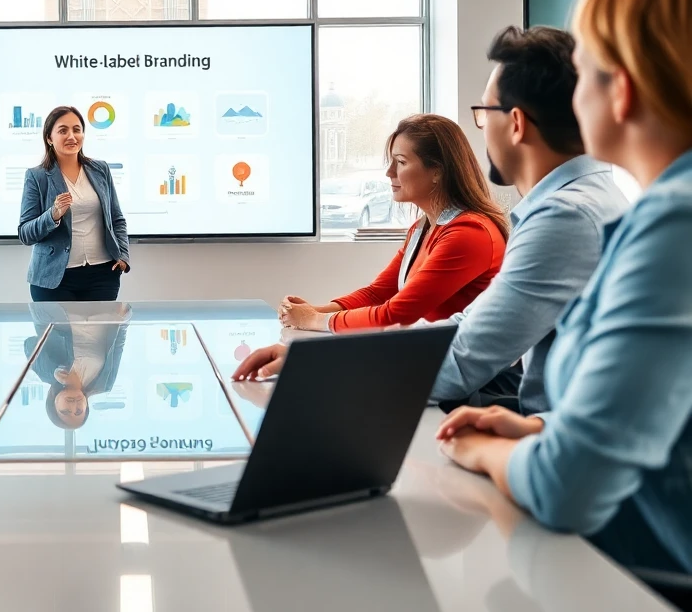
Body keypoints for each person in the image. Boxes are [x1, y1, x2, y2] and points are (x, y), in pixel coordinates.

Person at [437, 0, 692, 580]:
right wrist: (544, 426)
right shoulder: (656, 206)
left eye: (584, 76)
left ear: (622, 91)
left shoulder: (671, 223)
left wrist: (482, 450)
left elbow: (567, 486)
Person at [234, 30, 628, 414]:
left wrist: (315, 363)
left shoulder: (562, 219)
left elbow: (461, 358)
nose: (482, 128)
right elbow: (465, 325)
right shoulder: (582, 202)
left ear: (516, 123)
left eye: (483, 113)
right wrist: (316, 350)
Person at [274, 114, 508, 334]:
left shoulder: (469, 233)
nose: (389, 173)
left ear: (437, 171)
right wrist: (312, 311)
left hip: (464, 370)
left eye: (401, 162)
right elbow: (378, 294)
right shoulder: (422, 227)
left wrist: (312, 320)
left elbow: (396, 315)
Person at [18, 105, 130, 302]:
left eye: (77, 129)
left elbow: (116, 218)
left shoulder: (100, 169)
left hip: (103, 275)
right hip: (54, 279)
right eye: (63, 130)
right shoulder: (36, 176)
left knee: (104, 333)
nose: (72, 136)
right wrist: (52, 215)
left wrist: (123, 256)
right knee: (56, 334)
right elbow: (25, 233)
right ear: (49, 138)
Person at [23, 303, 130, 429]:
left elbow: (30, 344)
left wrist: (55, 371)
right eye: (79, 411)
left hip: (58, 309)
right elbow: (117, 347)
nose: (73, 406)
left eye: (65, 411)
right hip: (99, 310)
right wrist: (123, 319)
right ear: (86, 407)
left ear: (54, 403)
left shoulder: (46, 374)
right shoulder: (104, 384)